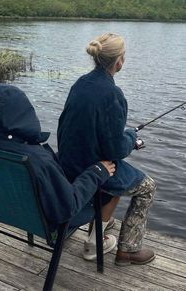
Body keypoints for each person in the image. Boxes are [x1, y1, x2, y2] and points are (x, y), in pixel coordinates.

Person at [0, 83, 116, 251]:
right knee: (108, 194)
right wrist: (96, 173)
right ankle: (97, 242)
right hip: (49, 222)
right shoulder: (36, 159)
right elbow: (68, 207)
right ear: (23, 114)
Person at [57, 33, 156, 266]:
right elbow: (115, 149)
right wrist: (131, 138)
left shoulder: (80, 83)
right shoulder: (113, 94)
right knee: (147, 187)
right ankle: (128, 251)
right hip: (94, 170)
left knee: (116, 176)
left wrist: (124, 136)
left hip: (68, 164)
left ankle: (99, 232)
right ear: (119, 61)